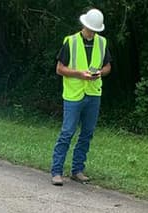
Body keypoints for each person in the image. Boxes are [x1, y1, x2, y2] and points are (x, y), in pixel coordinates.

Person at [50, 8, 112, 186]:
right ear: (84, 24)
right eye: (90, 28)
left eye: (95, 29)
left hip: (93, 93)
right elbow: (59, 69)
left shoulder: (102, 42)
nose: (92, 32)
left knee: (87, 133)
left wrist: (100, 72)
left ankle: (77, 170)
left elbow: (108, 66)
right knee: (67, 132)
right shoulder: (70, 41)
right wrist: (79, 74)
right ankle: (56, 171)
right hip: (73, 95)